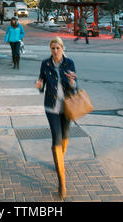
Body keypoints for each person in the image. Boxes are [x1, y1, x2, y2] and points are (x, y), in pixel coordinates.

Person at [35, 37, 77, 199]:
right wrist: (39, 85)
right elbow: (42, 82)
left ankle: (59, 161)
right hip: (51, 107)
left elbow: (74, 86)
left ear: (62, 48)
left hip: (67, 106)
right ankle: (62, 181)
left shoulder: (69, 63)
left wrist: (72, 82)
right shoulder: (45, 64)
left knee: (65, 136)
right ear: (50, 49)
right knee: (57, 139)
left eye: (58, 48)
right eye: (53, 48)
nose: (55, 51)